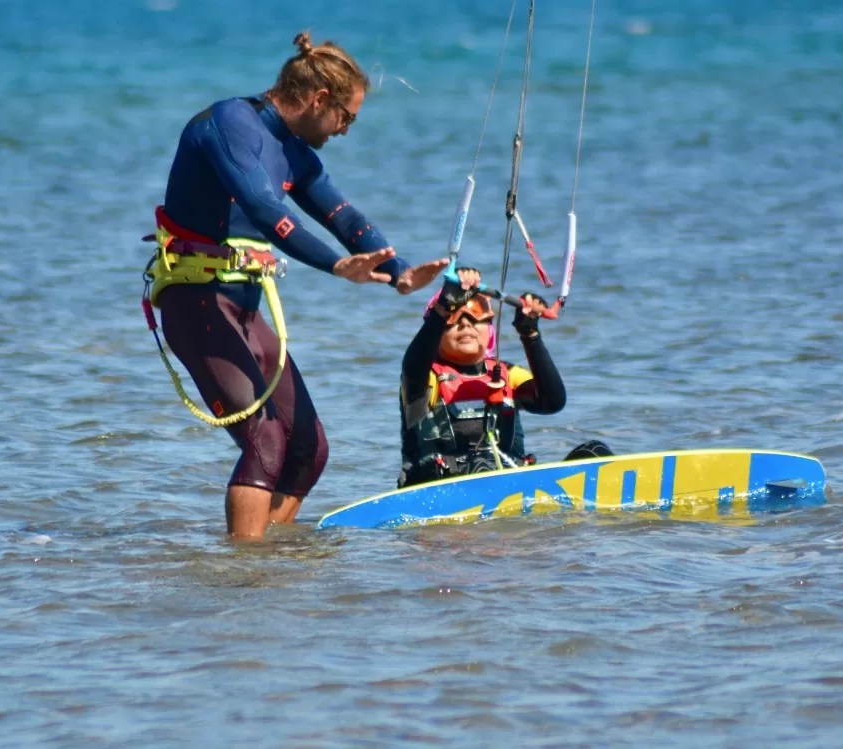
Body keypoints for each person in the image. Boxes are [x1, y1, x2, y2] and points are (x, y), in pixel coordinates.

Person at [148, 31, 447, 539]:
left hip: (242, 310)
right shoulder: (229, 125)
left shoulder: (296, 153)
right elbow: (265, 210)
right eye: (346, 118)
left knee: (309, 448)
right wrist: (335, 266)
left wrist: (400, 272)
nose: (346, 131)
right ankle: (246, 572)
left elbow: (344, 216)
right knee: (264, 440)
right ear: (319, 99)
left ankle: (267, 566)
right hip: (195, 301)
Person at [397, 268, 612, 488]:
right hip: (439, 490)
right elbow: (414, 365)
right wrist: (442, 309)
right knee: (482, 467)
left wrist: (530, 335)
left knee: (596, 453)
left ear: (489, 328)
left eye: (476, 313)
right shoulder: (425, 376)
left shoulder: (509, 374)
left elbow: (552, 402)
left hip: (511, 487)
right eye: (454, 316)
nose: (465, 323)